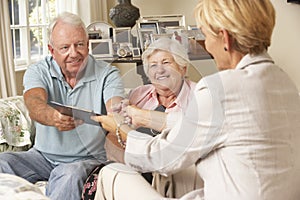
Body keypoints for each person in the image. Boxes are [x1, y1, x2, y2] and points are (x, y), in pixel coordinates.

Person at [92, 0, 300, 199]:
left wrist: (120, 130)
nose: (207, 45)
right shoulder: (285, 84)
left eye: (206, 37)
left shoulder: (220, 88)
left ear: (225, 38)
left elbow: (161, 157)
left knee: (111, 175)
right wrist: (145, 118)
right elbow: (201, 124)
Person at [0, 12, 125, 200]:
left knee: (70, 174)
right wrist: (53, 117)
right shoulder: (38, 71)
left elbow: (115, 109)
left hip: (87, 160)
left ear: (88, 44)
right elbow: (34, 101)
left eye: (79, 45)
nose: (74, 53)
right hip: (42, 157)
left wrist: (117, 117)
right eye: (65, 47)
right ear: (52, 50)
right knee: (3, 161)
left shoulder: (108, 74)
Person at [82, 37, 202, 199]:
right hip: (136, 168)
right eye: (153, 65)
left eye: (166, 63)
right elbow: (113, 138)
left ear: (183, 68)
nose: (159, 70)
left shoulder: (199, 97)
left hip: (178, 172)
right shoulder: (138, 95)